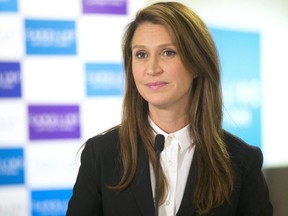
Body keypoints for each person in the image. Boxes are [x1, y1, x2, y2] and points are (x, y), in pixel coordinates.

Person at [66, 2, 273, 216]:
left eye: (167, 52)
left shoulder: (242, 161)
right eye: (141, 54)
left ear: (196, 63)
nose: (152, 69)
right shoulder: (100, 154)